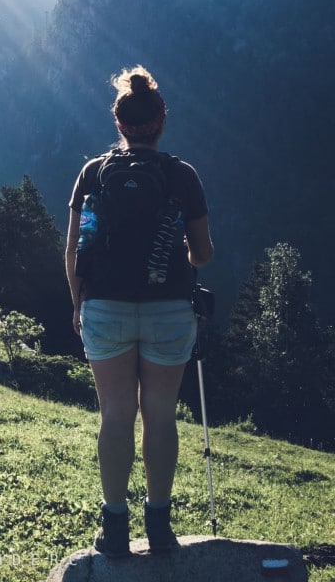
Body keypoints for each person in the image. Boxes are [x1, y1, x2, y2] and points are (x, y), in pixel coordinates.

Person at [65, 66, 213, 558]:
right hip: (169, 310)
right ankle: (160, 526)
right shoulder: (182, 175)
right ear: (161, 121)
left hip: (104, 308)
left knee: (115, 416)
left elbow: (74, 250)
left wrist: (77, 303)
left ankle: (113, 526)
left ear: (119, 122)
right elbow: (203, 253)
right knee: (160, 417)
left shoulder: (93, 173)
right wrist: (181, 255)